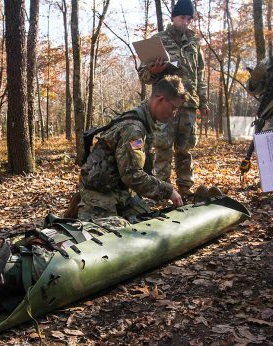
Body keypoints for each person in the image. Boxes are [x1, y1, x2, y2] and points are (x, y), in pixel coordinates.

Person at [77, 76, 186, 220]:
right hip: (100, 194)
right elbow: (132, 175)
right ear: (160, 100)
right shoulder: (134, 130)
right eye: (173, 108)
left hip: (122, 192)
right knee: (108, 238)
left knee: (151, 223)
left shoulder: (144, 120)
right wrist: (168, 191)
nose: (174, 114)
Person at [138, 0, 209, 199]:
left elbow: (200, 74)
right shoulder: (157, 41)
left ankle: (185, 190)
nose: (185, 22)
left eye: (189, 18)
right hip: (165, 105)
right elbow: (143, 76)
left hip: (188, 105)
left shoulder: (194, 43)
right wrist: (154, 71)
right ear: (173, 17)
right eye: (182, 18)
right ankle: (162, 191)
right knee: (162, 148)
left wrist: (203, 101)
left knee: (185, 150)